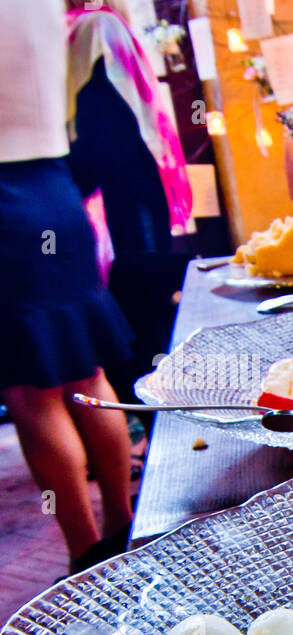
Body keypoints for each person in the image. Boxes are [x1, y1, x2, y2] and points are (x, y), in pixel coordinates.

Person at [0, 0, 136, 572]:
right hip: (57, 190)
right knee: (86, 372)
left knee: (34, 393)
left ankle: (87, 552)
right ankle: (125, 525)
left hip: (7, 198)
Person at [66, 0, 193, 399]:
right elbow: (120, 121)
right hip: (127, 186)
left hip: (103, 188)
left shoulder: (76, 31)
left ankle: (144, 405)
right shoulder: (99, 27)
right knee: (141, 297)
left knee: (135, 299)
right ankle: (147, 406)